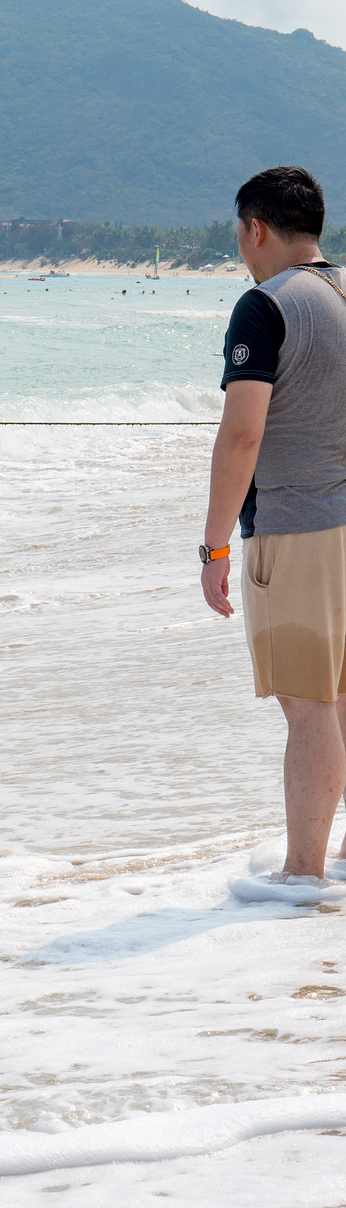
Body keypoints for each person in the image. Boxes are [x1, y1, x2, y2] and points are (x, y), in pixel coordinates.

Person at [201, 164, 346, 886]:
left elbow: (242, 437)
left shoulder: (264, 305)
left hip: (296, 523)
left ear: (257, 227)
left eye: (239, 233)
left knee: (308, 704)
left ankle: (302, 876)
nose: (240, 249)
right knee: (342, 694)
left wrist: (214, 544)